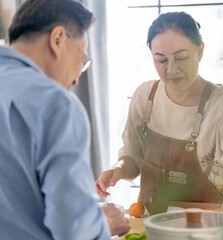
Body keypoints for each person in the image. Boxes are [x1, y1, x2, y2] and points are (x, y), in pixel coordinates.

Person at [95, 11, 223, 212]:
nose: (171, 69)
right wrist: (117, 170)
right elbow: (132, 157)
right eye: (161, 60)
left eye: (181, 57)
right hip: (152, 222)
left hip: (207, 222)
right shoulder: (144, 97)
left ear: (200, 51)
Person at [0, 0, 130, 239]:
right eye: (82, 61)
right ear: (58, 39)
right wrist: (106, 224)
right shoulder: (55, 103)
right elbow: (74, 230)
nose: (76, 80)